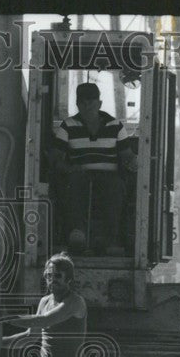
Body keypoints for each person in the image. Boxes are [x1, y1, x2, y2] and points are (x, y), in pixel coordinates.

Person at [53, 81, 138, 255]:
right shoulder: (67, 126)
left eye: (91, 102)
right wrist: (69, 170)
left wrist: (135, 164)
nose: (87, 106)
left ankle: (109, 239)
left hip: (109, 176)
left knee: (116, 186)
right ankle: (77, 233)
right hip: (79, 174)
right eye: (83, 102)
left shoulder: (116, 126)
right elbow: (56, 158)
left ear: (99, 103)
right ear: (77, 104)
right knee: (73, 184)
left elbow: (127, 156)